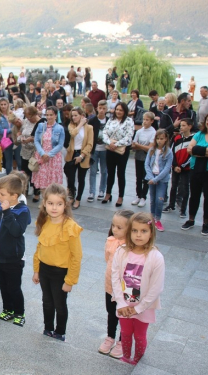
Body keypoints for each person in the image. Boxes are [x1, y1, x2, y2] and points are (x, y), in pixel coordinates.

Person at [111, 212, 165, 365]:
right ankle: (126, 357)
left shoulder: (156, 257)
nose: (138, 235)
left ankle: (137, 359)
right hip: (124, 305)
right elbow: (115, 277)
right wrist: (121, 303)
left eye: (143, 231)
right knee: (125, 333)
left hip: (144, 307)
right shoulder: (121, 252)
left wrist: (139, 308)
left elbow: (157, 287)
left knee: (140, 336)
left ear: (151, 233)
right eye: (135, 231)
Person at [32, 183, 82, 341]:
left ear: (65, 205)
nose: (54, 208)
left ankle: (60, 332)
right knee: (47, 302)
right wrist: (36, 270)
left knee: (60, 304)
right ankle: (48, 328)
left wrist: (70, 281)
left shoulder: (70, 227)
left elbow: (76, 256)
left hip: (61, 273)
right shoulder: (45, 221)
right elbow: (40, 247)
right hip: (45, 270)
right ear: (44, 203)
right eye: (51, 203)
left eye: (59, 204)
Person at [0, 174, 30, 327]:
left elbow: (16, 231)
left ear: (14, 196)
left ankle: (19, 312)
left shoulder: (22, 211)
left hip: (13, 258)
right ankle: (7, 310)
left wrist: (7, 212)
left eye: (2, 194)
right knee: (3, 285)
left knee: (14, 287)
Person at [98, 210, 134, 358]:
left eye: (120, 227)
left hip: (126, 289)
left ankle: (122, 341)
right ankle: (110, 337)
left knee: (125, 315)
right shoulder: (111, 241)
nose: (115, 229)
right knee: (111, 313)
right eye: (114, 225)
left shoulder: (132, 248)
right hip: (110, 286)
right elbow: (108, 259)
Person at [102, 102, 134, 207]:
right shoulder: (111, 120)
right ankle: (108, 193)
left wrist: (117, 144)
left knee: (120, 173)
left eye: (120, 110)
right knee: (110, 172)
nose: (118, 112)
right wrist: (109, 142)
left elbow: (129, 136)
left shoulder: (129, 121)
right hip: (110, 148)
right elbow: (104, 132)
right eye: (117, 109)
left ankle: (120, 196)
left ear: (124, 111)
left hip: (122, 150)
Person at [181, 115, 208, 235]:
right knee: (194, 195)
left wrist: (197, 150)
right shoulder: (199, 135)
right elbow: (189, 149)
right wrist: (204, 152)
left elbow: (193, 150)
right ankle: (191, 219)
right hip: (195, 169)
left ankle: (206, 223)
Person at [32, 106, 65, 202]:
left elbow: (60, 144)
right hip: (41, 155)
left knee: (52, 180)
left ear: (55, 115)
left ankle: (51, 200)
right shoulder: (41, 126)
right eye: (47, 115)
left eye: (51, 115)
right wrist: (42, 153)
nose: (49, 117)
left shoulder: (60, 128)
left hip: (54, 157)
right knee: (42, 179)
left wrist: (49, 154)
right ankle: (44, 201)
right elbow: (36, 141)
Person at [163, 118, 194, 217]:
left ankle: (183, 210)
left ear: (190, 126)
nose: (181, 127)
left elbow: (192, 155)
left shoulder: (193, 139)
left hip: (186, 168)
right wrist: (175, 165)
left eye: (184, 125)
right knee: (173, 186)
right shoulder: (177, 138)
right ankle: (171, 205)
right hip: (176, 167)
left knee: (185, 188)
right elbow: (172, 152)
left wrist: (182, 166)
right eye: (181, 125)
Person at [65, 108, 94, 209]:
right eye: (72, 116)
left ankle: (78, 199)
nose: (73, 117)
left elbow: (90, 144)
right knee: (71, 178)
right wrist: (81, 124)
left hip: (83, 155)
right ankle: (71, 196)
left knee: (81, 178)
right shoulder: (71, 126)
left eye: (76, 115)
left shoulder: (89, 128)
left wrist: (82, 156)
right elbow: (73, 133)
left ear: (82, 115)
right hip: (72, 154)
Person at [131, 112, 157, 208]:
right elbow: (133, 145)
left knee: (145, 177)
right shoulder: (139, 131)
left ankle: (143, 197)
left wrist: (139, 145)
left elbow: (150, 148)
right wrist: (140, 146)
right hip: (138, 157)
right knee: (138, 176)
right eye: (144, 119)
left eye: (147, 120)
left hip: (147, 158)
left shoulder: (153, 132)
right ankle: (138, 195)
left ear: (151, 121)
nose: (145, 122)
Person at [88, 100, 109, 202]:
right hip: (94, 149)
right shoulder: (92, 121)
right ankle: (92, 191)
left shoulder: (109, 121)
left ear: (107, 109)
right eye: (100, 108)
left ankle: (102, 190)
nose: (101, 110)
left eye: (104, 108)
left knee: (104, 171)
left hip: (105, 149)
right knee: (92, 171)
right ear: (97, 108)